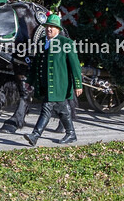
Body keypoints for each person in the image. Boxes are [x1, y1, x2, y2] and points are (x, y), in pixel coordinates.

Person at [25, 13, 83, 146]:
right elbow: (36, 64)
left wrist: (77, 84)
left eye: (52, 27)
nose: (49, 29)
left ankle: (35, 135)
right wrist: (30, 80)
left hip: (59, 84)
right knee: (63, 110)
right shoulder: (41, 42)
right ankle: (71, 134)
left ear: (58, 29)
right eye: (47, 27)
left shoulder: (66, 43)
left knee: (47, 108)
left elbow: (75, 66)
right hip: (45, 84)